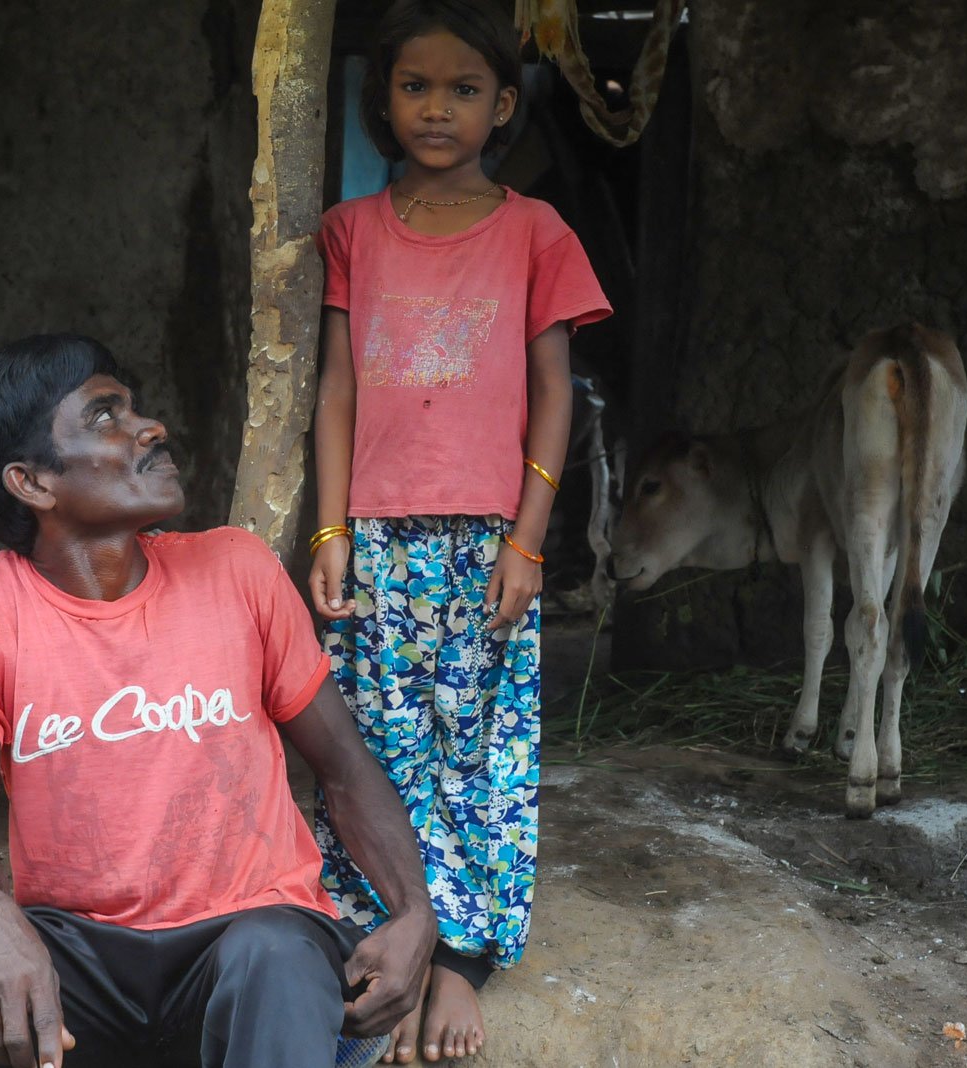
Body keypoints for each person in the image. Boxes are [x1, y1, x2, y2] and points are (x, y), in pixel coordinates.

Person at [0, 334, 437, 1068]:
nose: (151, 428)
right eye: (106, 416)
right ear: (32, 483)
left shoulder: (238, 570)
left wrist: (415, 914)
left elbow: (344, 766)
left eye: (133, 409)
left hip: (242, 956)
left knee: (277, 946)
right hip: (76, 968)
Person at [307, 2, 613, 1063]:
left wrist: (530, 541)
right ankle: (384, 932)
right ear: (379, 101)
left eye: (462, 89)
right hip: (378, 538)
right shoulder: (350, 229)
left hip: (486, 540)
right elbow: (337, 387)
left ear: (502, 106)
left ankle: (458, 959)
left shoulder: (536, 232)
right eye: (413, 86)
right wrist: (328, 527)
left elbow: (551, 393)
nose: (436, 108)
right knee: (375, 740)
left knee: (476, 743)